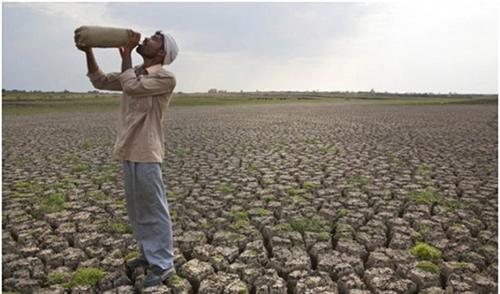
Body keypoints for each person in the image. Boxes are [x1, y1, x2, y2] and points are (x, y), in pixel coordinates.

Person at [75, 28, 179, 287]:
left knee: (154, 208)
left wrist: (128, 53)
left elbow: (131, 87)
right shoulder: (134, 73)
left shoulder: (165, 77)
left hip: (146, 151)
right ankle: (147, 254)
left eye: (154, 38)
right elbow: (99, 80)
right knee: (137, 209)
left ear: (162, 52)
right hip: (128, 149)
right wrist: (89, 50)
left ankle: (164, 264)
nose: (146, 39)